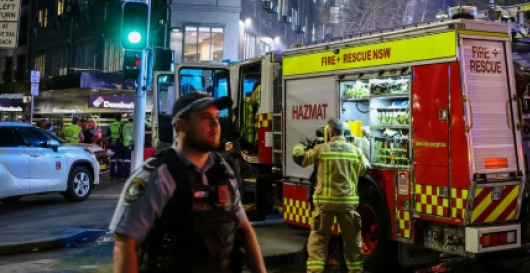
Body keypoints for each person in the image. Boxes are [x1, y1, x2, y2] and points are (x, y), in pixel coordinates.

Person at [110, 91, 266, 273]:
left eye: (216, 116)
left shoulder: (223, 172)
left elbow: (243, 228)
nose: (216, 124)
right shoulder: (157, 175)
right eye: (205, 117)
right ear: (180, 125)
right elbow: (125, 242)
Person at [293, 118, 370, 273]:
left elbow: (299, 158)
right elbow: (366, 169)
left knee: (318, 242)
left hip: (325, 205)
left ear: (330, 132)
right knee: (353, 243)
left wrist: (302, 144)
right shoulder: (355, 150)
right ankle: (356, 271)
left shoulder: (322, 149)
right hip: (348, 204)